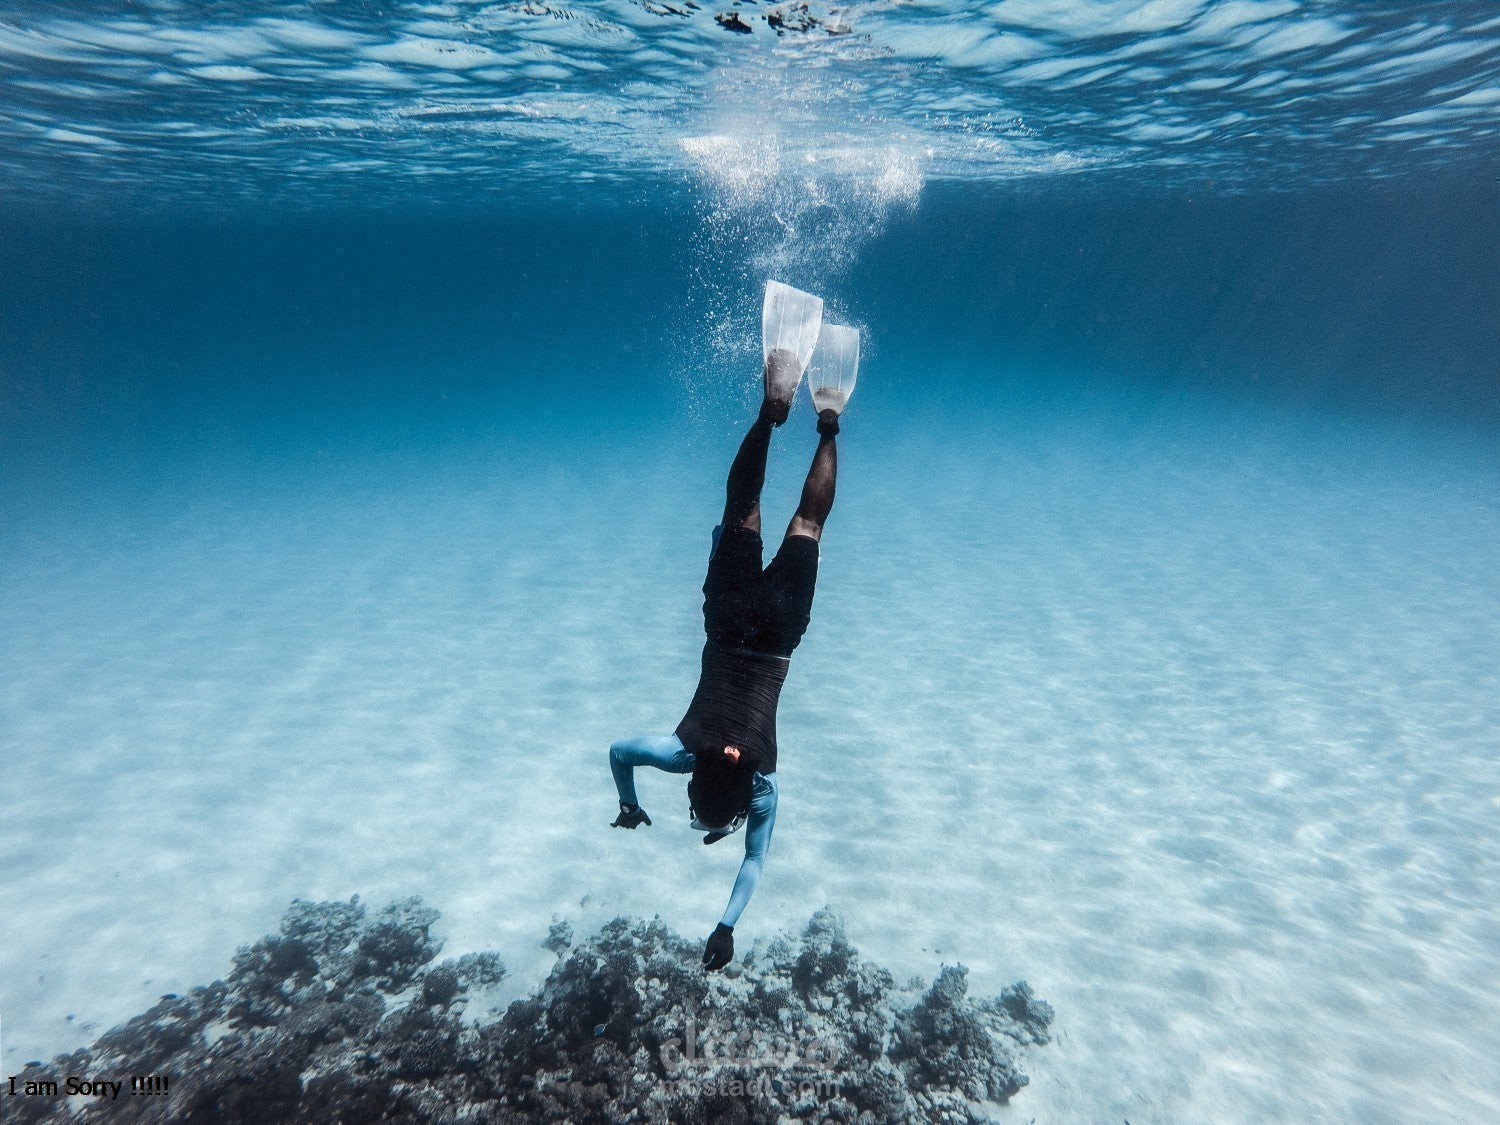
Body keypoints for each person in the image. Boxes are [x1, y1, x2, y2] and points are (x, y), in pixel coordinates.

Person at [607, 348, 842, 972]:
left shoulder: (762, 787)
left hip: (776, 637)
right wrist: (629, 803)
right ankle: (771, 414)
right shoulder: (682, 750)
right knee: (742, 506)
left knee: (808, 523)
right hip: (729, 616)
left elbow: (754, 860)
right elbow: (618, 752)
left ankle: (829, 423)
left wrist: (725, 927)